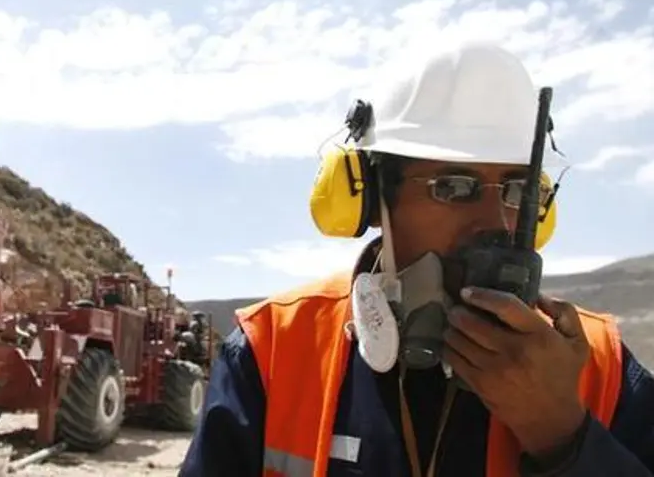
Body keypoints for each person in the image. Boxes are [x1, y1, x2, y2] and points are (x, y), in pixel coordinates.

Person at [180, 43, 654, 476]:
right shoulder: (275, 348)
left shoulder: (601, 365)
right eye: (454, 187)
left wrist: (561, 433)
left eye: (516, 190)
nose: (497, 223)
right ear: (370, 198)